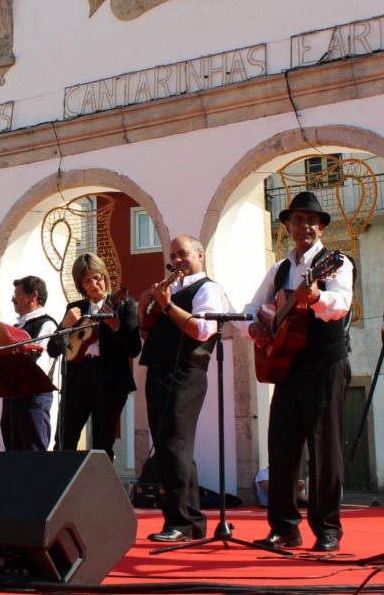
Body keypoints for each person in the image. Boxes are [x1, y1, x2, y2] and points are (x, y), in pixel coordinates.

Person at [244, 191, 354, 552]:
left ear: (321, 227)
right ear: (288, 226)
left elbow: (341, 303)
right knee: (283, 446)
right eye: (297, 219)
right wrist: (256, 329)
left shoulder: (335, 262)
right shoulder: (279, 269)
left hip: (325, 362)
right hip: (287, 366)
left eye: (311, 220)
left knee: (325, 449)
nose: (303, 225)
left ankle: (327, 529)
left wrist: (316, 298)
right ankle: (284, 527)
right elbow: (252, 308)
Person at [137, 235, 225, 543]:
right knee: (168, 449)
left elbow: (202, 330)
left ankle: (182, 523)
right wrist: (147, 303)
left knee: (176, 446)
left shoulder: (208, 289)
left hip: (185, 373)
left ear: (199, 254)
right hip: (159, 372)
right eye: (172, 255)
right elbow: (148, 333)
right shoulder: (172, 291)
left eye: (182, 254)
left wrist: (168, 304)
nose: (176, 260)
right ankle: (188, 521)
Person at [54, 253, 140, 459]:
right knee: (64, 439)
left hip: (109, 378)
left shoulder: (122, 304)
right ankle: (63, 486)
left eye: (97, 277)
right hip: (78, 377)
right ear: (81, 285)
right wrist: (65, 325)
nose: (94, 284)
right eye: (87, 280)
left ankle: (102, 489)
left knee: (103, 441)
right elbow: (52, 348)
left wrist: (116, 327)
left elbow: (134, 348)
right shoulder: (75, 309)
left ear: (105, 276)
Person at [0, 275, 57, 451]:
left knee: (34, 456)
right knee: (13, 457)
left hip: (34, 400)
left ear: (34, 296)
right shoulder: (15, 328)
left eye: (17, 294)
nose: (13, 299)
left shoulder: (47, 325)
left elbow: (42, 366)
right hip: (12, 400)